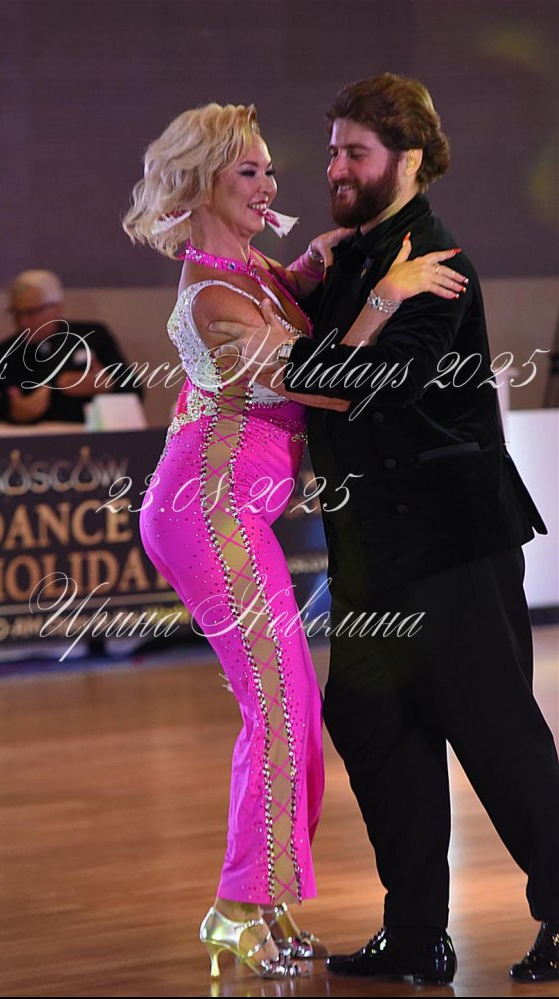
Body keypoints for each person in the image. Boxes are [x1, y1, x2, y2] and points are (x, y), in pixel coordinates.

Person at [211, 75, 559, 984]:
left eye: (354, 153)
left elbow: (358, 383)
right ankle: (415, 933)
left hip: (453, 542)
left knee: (494, 731)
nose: (334, 167)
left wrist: (338, 321)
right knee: (375, 723)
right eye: (332, 150)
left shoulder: (435, 265)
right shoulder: (358, 258)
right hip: (373, 548)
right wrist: (322, 279)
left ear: (408, 160)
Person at [122, 101, 466, 980]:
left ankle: (260, 899)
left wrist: (319, 261)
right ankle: (238, 906)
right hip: (204, 512)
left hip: (232, 513)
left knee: (291, 709)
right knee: (278, 708)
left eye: (271, 169)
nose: (271, 185)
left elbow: (299, 285)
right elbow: (323, 385)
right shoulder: (211, 297)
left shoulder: (250, 269)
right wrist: (387, 295)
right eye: (250, 172)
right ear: (202, 183)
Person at [0, 270, 143, 424]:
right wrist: (14, 412)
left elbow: (135, 391)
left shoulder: (91, 337)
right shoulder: (4, 353)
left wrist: (106, 386)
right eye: (17, 313)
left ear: (57, 308)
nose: (23, 321)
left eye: (32, 312)